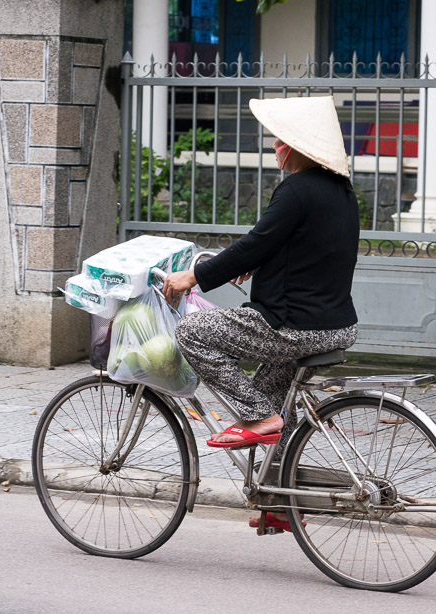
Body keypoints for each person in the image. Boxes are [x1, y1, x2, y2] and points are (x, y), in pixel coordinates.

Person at [162, 96, 359, 500]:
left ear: (297, 146)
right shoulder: (339, 191)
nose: (274, 147)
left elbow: (258, 242)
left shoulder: (295, 190)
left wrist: (193, 276)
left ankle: (259, 416)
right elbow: (304, 248)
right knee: (277, 412)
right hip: (334, 324)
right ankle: (279, 503)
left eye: (279, 140)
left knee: (193, 330)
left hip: (293, 326)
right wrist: (261, 262)